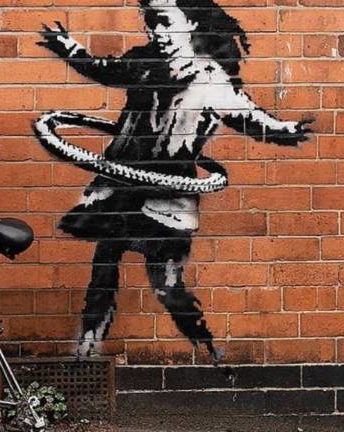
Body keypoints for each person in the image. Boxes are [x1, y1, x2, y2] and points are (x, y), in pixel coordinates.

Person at [36, 0, 313, 361]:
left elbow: (250, 118)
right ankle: (86, 350)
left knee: (168, 288)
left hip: (169, 200)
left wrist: (287, 129)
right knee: (103, 268)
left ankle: (210, 353)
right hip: (122, 192)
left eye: (165, 22)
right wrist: (69, 48)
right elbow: (102, 70)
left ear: (190, 24)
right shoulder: (143, 62)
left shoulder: (211, 81)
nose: (157, 32)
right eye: (151, 23)